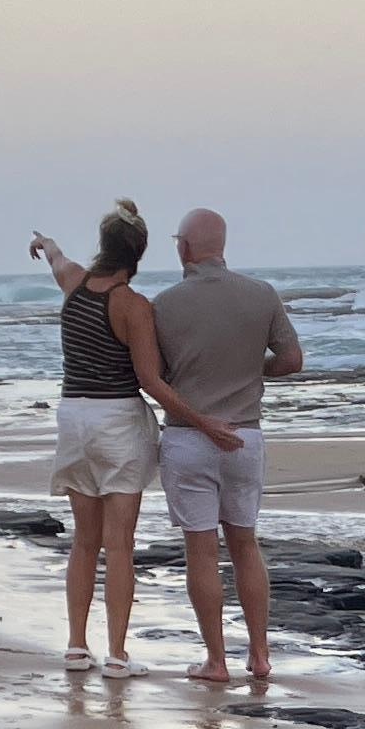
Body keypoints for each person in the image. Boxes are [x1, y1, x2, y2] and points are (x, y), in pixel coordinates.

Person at [150, 207, 305, 687]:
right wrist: (251, 370)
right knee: (245, 544)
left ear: (183, 248)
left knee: (201, 550)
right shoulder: (261, 294)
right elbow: (292, 360)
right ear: (223, 246)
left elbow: (156, 376)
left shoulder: (164, 305)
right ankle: (259, 654)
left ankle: (216, 661)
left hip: (188, 437)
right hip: (244, 435)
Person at [32, 203, 169, 670]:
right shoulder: (134, 306)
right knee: (120, 546)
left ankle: (76, 644)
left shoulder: (73, 283)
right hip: (117, 421)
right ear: (138, 254)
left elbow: (57, 259)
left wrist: (46, 243)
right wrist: (201, 421)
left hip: (73, 418)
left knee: (84, 541)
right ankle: (117, 653)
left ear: (103, 246)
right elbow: (150, 379)